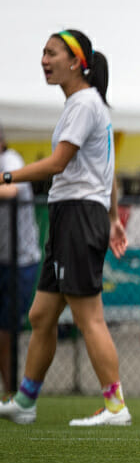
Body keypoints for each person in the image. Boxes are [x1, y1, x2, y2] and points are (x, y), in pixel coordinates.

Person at [0, 29, 130, 426]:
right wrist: (111, 220)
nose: (44, 59)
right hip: (72, 214)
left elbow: (57, 164)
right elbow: (105, 173)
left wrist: (6, 178)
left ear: (76, 62)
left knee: (89, 315)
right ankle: (25, 402)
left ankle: (115, 406)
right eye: (43, 52)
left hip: (76, 215)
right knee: (41, 314)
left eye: (51, 53)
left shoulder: (84, 103)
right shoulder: (86, 104)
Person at [0, 123, 41, 395]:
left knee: (7, 332)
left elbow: (10, 190)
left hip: (21, 262)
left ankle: (14, 393)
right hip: (3, 261)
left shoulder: (10, 160)